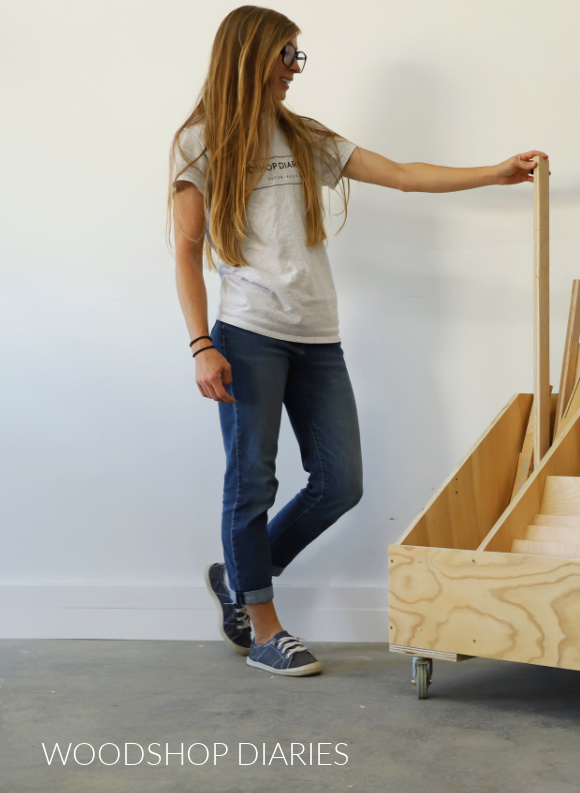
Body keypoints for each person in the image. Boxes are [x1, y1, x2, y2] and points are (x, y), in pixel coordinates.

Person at [170, 5, 546, 677]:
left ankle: (239, 574)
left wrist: (493, 173)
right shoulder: (199, 142)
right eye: (287, 55)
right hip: (248, 334)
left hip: (318, 339)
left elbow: (401, 173)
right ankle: (263, 627)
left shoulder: (304, 137)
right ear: (252, 55)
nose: (294, 69)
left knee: (341, 482)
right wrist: (201, 344)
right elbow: (186, 249)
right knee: (251, 480)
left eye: (297, 58)